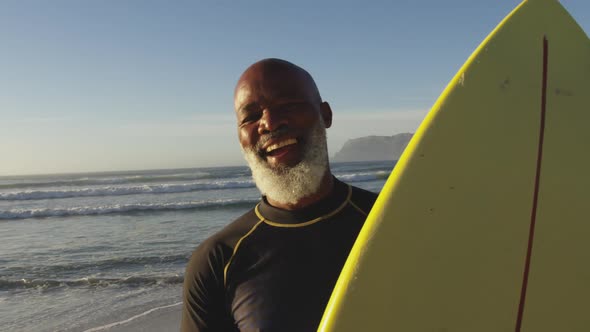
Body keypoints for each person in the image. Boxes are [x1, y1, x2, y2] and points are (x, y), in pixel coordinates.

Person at [182, 58, 377, 331]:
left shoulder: (390, 220)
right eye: (250, 117)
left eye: (287, 105)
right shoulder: (217, 261)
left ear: (326, 115)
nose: (269, 123)